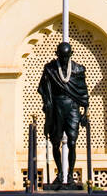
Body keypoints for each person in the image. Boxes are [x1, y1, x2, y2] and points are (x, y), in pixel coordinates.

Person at [37, 41, 89, 186]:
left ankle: (70, 175)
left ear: (71, 55)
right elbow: (42, 88)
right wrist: (47, 103)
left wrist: (85, 113)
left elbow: (83, 92)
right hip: (57, 108)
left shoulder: (78, 69)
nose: (64, 59)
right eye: (62, 56)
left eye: (67, 56)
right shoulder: (51, 69)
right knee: (55, 142)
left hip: (72, 107)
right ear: (57, 55)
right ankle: (60, 173)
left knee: (72, 142)